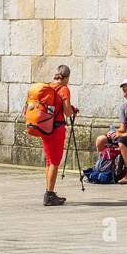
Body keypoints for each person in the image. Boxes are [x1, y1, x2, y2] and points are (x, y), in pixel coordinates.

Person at [41, 65, 75, 207]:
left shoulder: (48, 86)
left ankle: (49, 192)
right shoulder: (64, 89)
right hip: (57, 128)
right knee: (55, 161)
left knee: (49, 161)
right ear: (66, 77)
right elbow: (67, 112)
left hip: (45, 127)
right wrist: (72, 110)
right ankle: (49, 194)